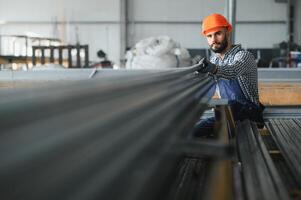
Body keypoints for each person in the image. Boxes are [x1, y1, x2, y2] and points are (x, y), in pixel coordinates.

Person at [193, 13, 265, 137]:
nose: (213, 40)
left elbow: (232, 71)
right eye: (209, 36)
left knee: (198, 130)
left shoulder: (244, 56)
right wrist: (197, 74)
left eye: (218, 34)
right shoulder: (214, 60)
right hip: (228, 112)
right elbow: (207, 85)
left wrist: (213, 69)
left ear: (228, 32)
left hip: (250, 112)